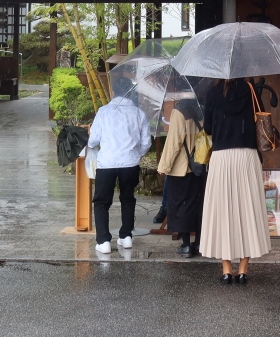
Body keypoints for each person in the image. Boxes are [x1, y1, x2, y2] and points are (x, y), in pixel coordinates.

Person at [200, 78, 270, 284]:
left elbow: (208, 129)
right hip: (247, 156)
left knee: (224, 211)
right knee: (248, 209)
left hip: (221, 157)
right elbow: (260, 117)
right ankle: (243, 270)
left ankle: (226, 270)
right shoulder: (250, 90)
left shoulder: (213, 93)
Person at [87, 79, 151, 254]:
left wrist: (91, 141)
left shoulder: (103, 112)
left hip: (107, 163)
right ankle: (126, 236)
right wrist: (135, 155)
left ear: (113, 92)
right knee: (128, 198)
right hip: (130, 163)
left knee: (101, 202)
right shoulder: (139, 114)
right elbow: (146, 143)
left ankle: (103, 241)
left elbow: (93, 140)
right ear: (131, 92)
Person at [157, 98, 206, 257]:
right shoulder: (202, 108)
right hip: (199, 165)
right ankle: (198, 243)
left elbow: (174, 141)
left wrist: (164, 166)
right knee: (198, 207)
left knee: (181, 207)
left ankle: (186, 245)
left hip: (182, 168)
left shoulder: (180, 111)